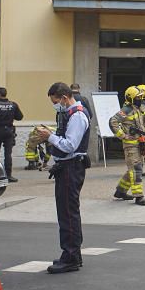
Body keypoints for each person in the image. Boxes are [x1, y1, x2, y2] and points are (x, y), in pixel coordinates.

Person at [35, 82, 91, 274]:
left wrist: (49, 136)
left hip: (71, 168)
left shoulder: (77, 115)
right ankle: (72, 254)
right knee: (67, 212)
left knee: (68, 213)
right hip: (67, 167)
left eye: (55, 101)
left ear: (64, 98)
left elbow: (69, 145)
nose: (55, 105)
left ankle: (71, 256)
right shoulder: (71, 114)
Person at [109, 86, 145, 206]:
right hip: (130, 146)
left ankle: (120, 191)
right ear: (130, 98)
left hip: (139, 143)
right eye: (137, 97)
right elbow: (112, 122)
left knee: (133, 169)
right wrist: (123, 136)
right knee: (136, 170)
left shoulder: (137, 109)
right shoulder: (126, 109)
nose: (140, 99)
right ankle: (139, 196)